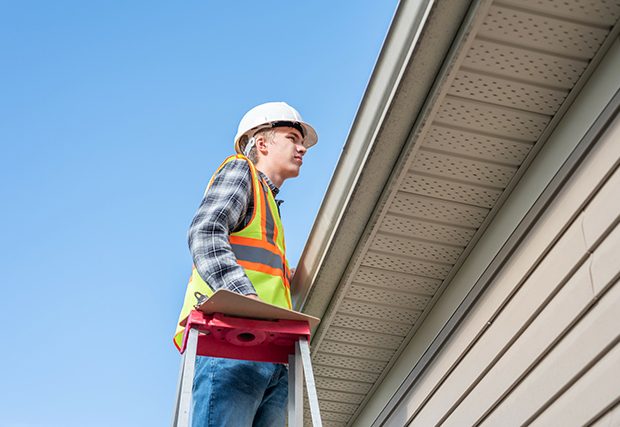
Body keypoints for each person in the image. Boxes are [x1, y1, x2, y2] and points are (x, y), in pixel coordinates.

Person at [173, 102, 318, 426]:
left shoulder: (272, 210)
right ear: (262, 143)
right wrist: (244, 299)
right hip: (231, 342)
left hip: (270, 352)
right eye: (293, 137)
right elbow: (206, 232)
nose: (302, 148)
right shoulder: (241, 171)